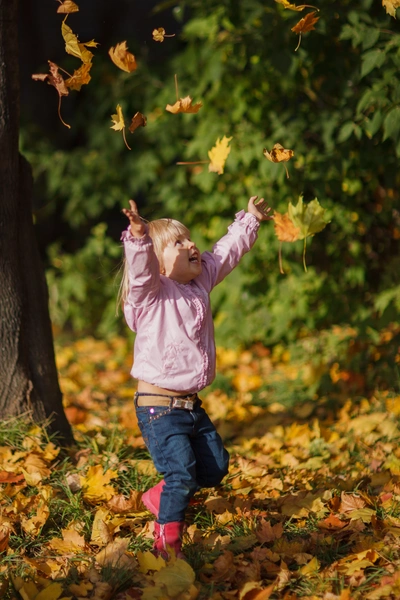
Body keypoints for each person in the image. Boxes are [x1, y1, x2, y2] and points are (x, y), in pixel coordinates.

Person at [120, 196, 273, 559]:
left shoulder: (199, 282)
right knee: (181, 476)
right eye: (179, 242)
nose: (192, 245)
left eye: (189, 239)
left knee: (215, 467)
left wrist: (249, 221)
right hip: (158, 409)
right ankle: (166, 548)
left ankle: (159, 497)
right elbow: (140, 273)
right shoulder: (150, 294)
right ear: (158, 262)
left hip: (190, 405)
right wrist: (139, 239)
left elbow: (224, 253)